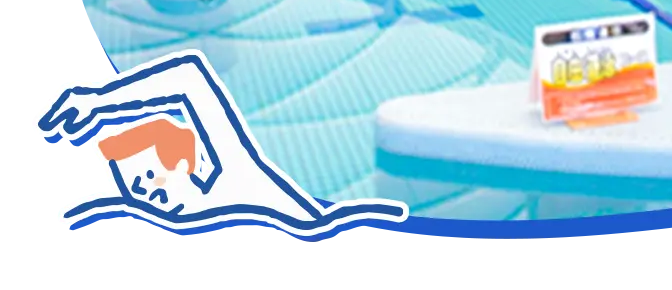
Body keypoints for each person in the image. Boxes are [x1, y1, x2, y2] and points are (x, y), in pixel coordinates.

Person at [38, 50, 408, 235]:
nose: (147, 193)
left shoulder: (231, 178)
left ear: (185, 164)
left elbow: (188, 76)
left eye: (149, 175)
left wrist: (99, 101)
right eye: (134, 188)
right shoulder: (177, 228)